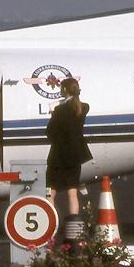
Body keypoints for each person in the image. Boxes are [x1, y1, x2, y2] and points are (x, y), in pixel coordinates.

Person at [46, 77, 92, 242]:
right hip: (76, 155)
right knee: (72, 192)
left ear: (64, 90)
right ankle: (74, 232)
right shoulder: (83, 108)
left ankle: (49, 228)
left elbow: (50, 132)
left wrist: (53, 113)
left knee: (50, 192)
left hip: (58, 156)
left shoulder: (60, 110)